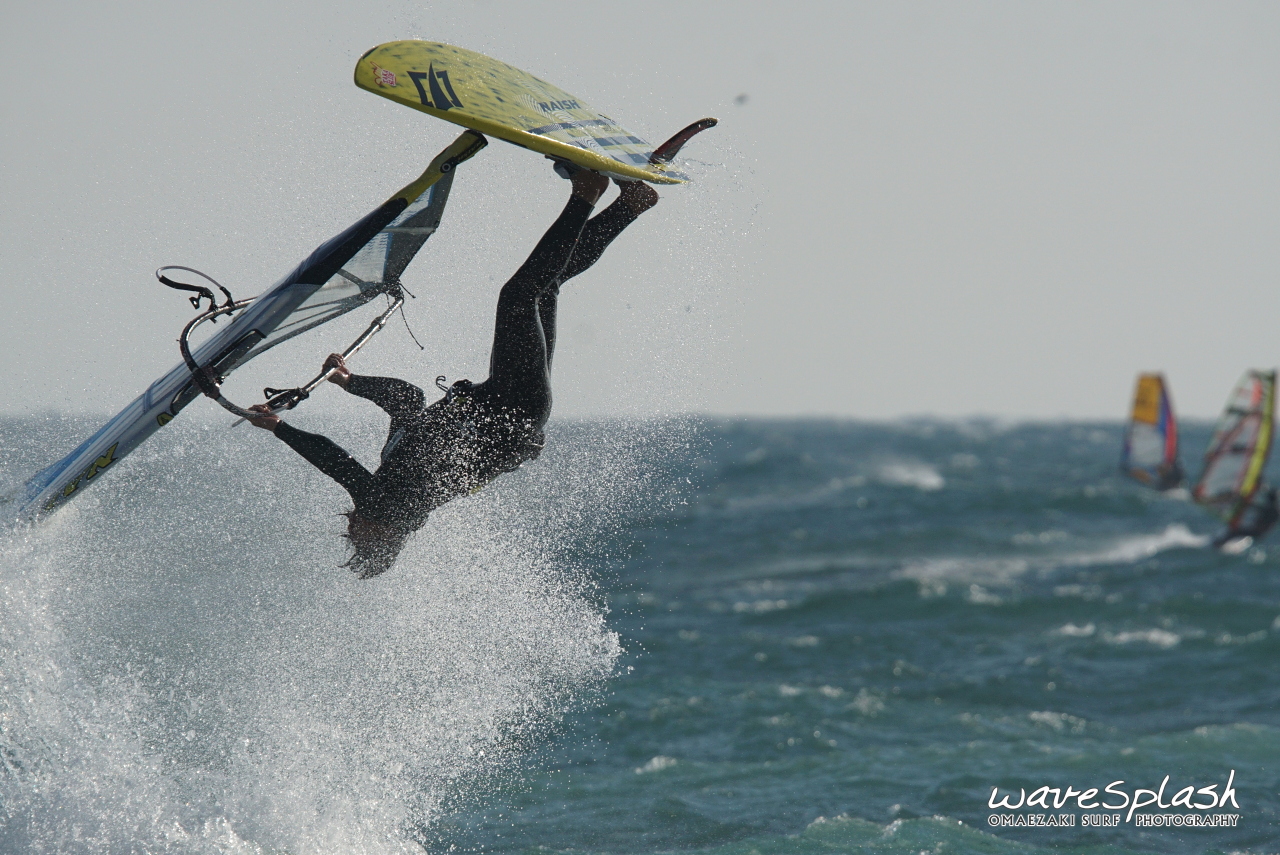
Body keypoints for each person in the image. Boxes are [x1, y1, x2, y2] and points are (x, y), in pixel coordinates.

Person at [246, 168, 658, 577]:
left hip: (507, 401)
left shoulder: (393, 471)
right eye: (359, 539)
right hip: (515, 406)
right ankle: (586, 192)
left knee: (543, 289)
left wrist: (352, 382)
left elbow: (406, 399)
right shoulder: (391, 509)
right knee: (519, 294)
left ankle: (631, 205)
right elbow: (336, 462)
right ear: (383, 536)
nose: (351, 528)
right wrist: (279, 428)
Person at [1212, 485, 1280, 551]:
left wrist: (1244, 501)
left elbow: (1257, 508)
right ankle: (1220, 543)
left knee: (1235, 532)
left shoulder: (1271, 509)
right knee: (1236, 531)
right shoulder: (1274, 509)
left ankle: (1218, 545)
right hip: (1260, 532)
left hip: (1257, 531)